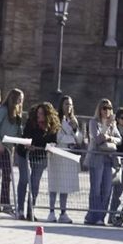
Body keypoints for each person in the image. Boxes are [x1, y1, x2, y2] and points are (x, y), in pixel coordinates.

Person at [46, 95, 83, 223]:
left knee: (65, 186)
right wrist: (72, 139)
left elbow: (80, 139)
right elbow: (58, 137)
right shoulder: (56, 119)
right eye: (66, 104)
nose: (69, 107)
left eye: (70, 104)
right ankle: (51, 212)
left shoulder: (73, 120)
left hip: (68, 156)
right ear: (61, 105)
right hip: (57, 155)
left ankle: (63, 212)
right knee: (54, 183)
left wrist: (75, 129)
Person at [0, 88, 27, 215]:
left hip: (8, 149)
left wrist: (24, 140)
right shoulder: (3, 110)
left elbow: (17, 132)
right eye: (19, 98)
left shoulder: (17, 114)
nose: (21, 101)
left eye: (22, 99)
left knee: (7, 177)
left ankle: (5, 204)